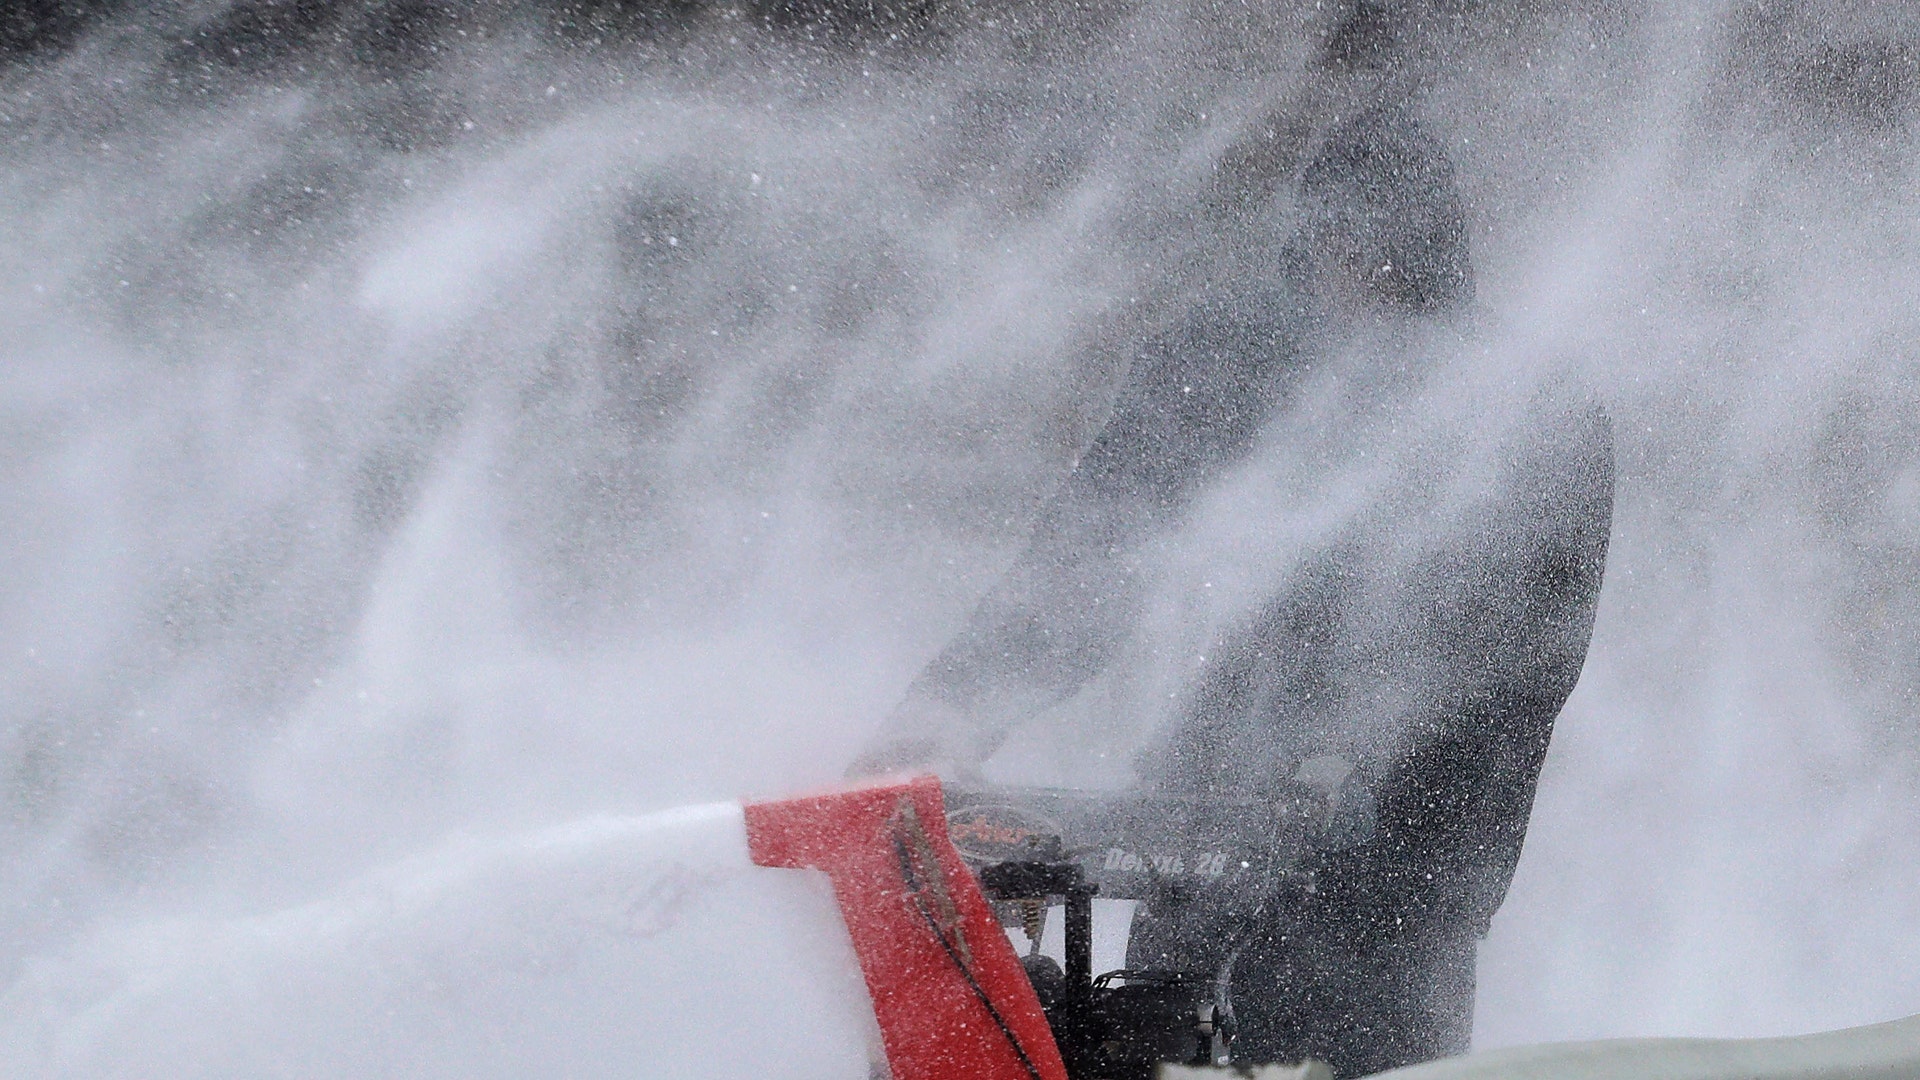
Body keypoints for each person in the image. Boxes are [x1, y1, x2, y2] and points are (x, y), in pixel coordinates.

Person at [851, 3, 1615, 1075]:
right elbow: (1090, 560)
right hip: (1201, 844)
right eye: (1331, 252)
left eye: (1378, 262)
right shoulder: (1232, 363)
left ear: (1432, 259)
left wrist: (1369, 793)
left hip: (1399, 893)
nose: (1350, 286)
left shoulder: (1531, 421)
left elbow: (1525, 659)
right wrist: (953, 704)